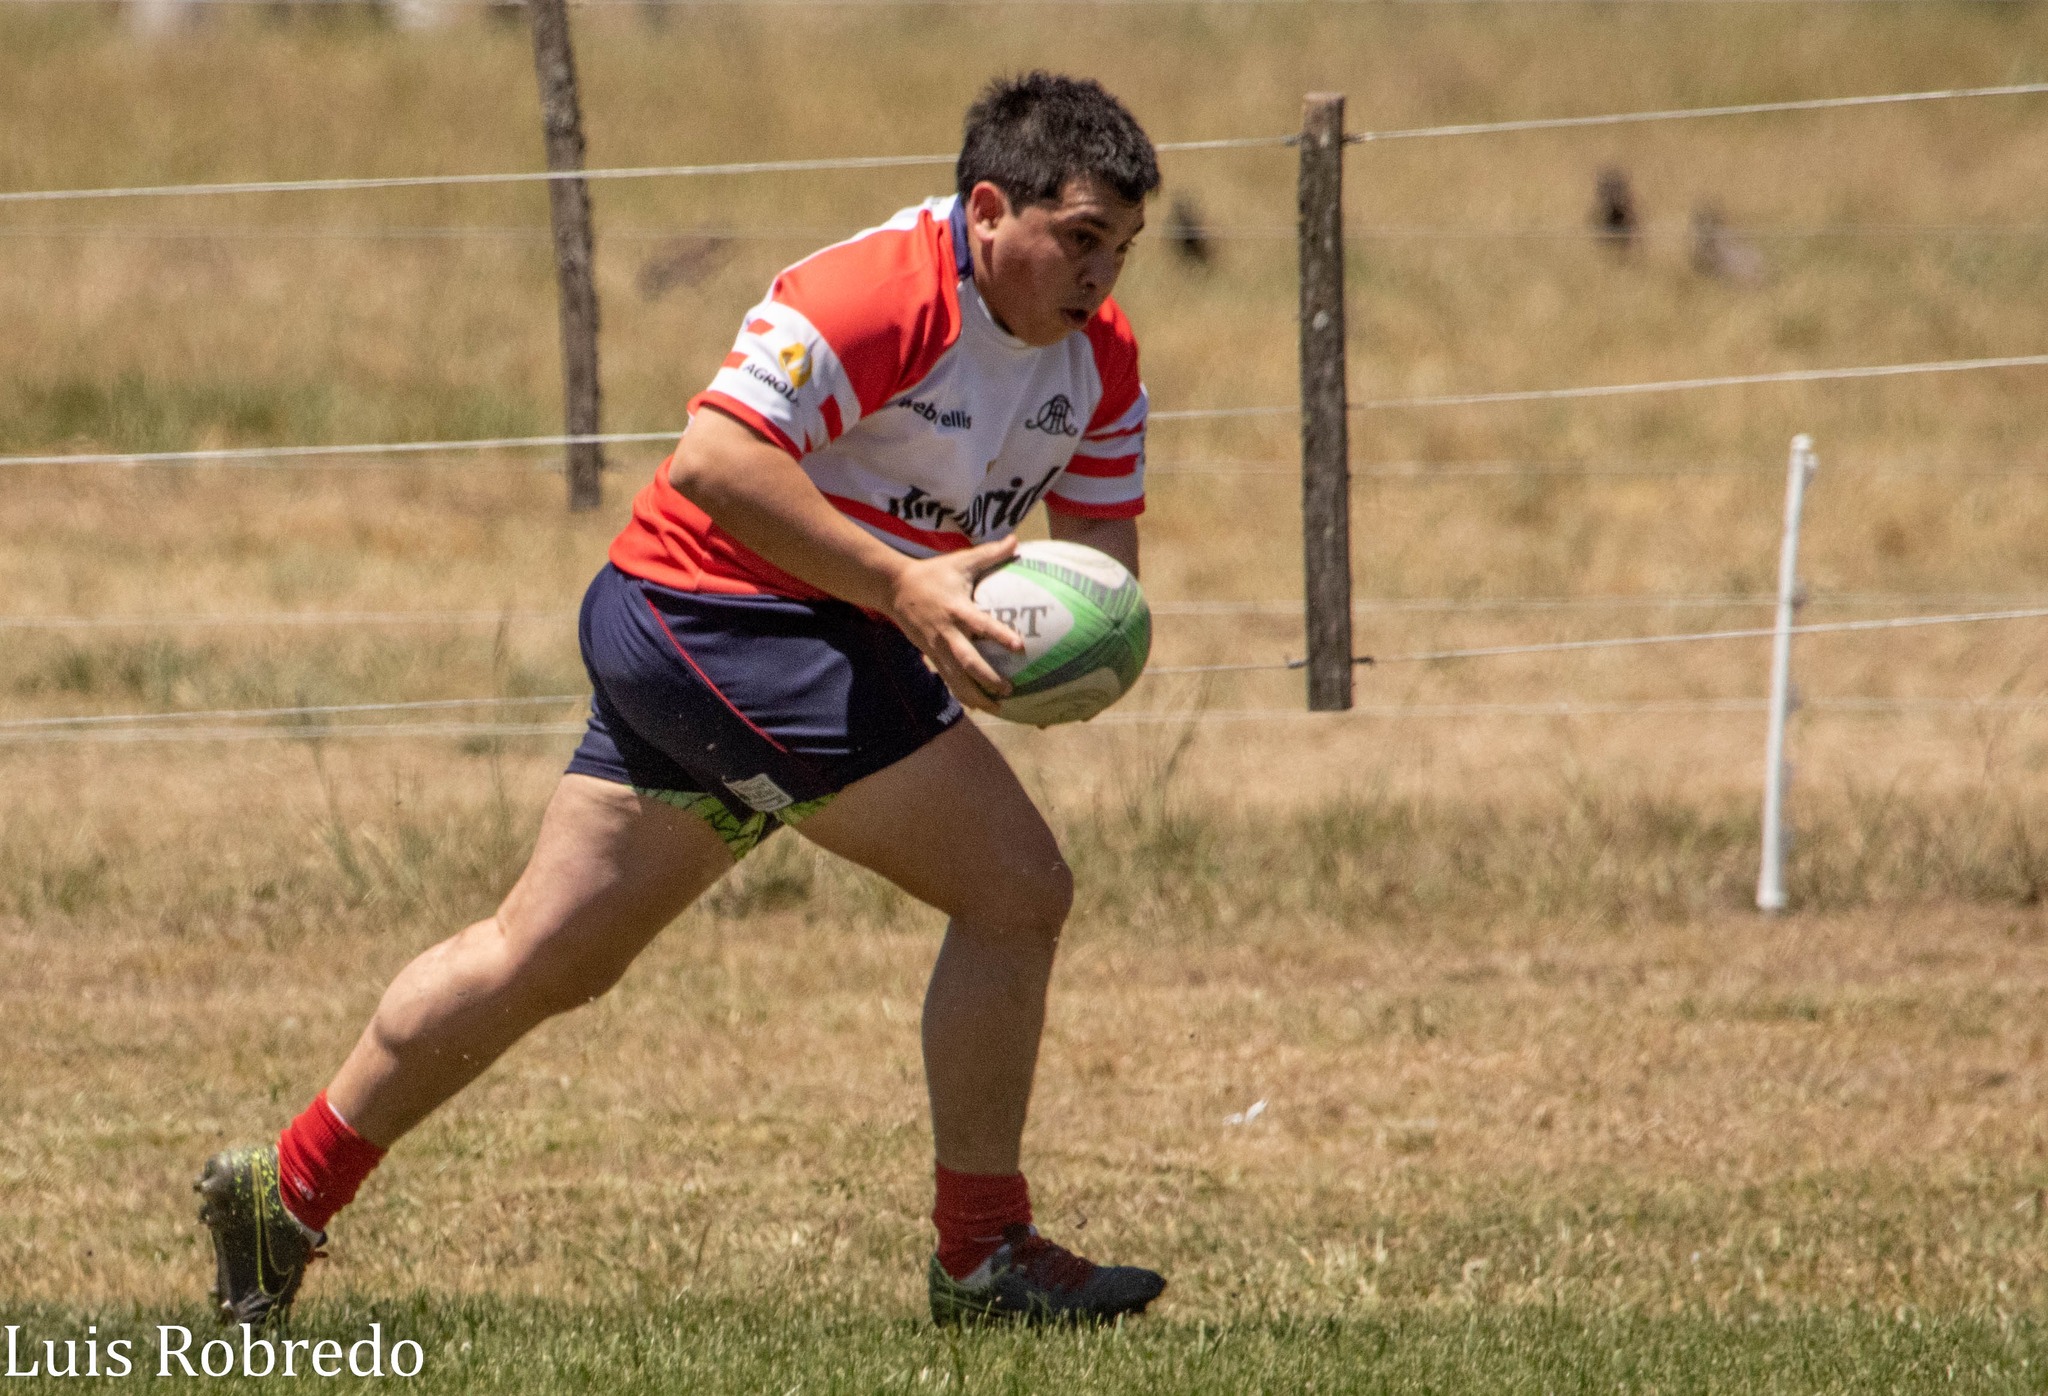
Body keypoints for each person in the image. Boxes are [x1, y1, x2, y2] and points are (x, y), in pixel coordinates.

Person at [196, 71, 1167, 1329]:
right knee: (1016, 887)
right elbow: (712, 460)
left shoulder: (1098, 358)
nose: (1102, 274)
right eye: (1078, 239)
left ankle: (279, 1192)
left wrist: (1070, 649)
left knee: (544, 957)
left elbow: (1100, 564)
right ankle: (982, 1255)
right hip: (721, 620)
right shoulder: (873, 294)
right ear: (987, 211)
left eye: (1123, 248)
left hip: (777, 640)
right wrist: (907, 592)